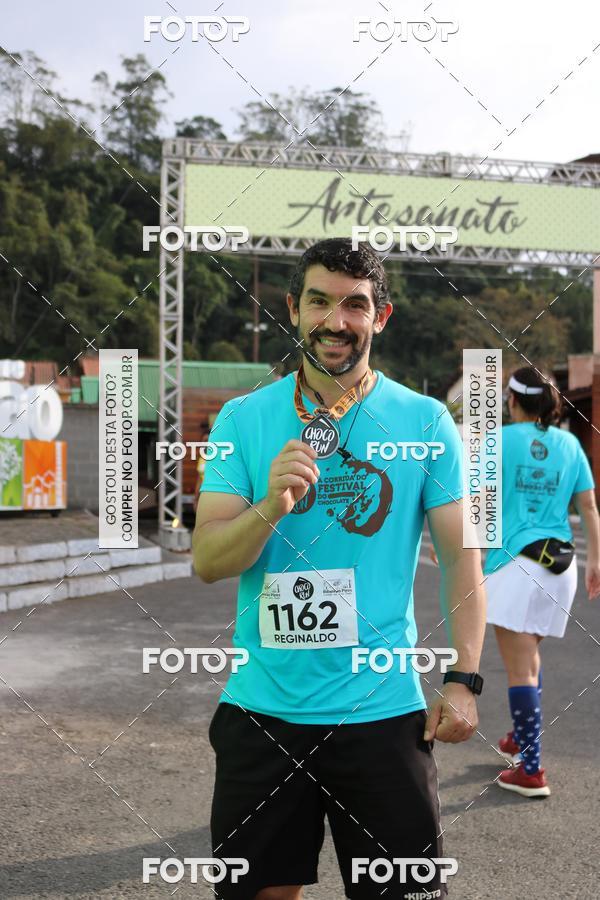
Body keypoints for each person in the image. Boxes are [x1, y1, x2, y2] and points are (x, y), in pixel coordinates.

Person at [193, 238, 486, 899]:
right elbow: (208, 559)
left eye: (356, 305)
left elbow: (463, 554)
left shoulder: (426, 421)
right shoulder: (244, 419)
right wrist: (269, 505)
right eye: (320, 301)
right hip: (263, 713)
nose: (336, 321)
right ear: (295, 310)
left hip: (382, 715)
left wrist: (465, 676)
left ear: (380, 317)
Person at [483, 366, 600, 798]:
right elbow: (589, 508)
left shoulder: (496, 441)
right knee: (529, 657)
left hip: (515, 566)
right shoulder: (570, 443)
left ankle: (530, 769)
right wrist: (596, 562)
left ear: (512, 401)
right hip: (561, 566)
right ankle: (519, 736)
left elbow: (473, 503)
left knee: (519, 666)